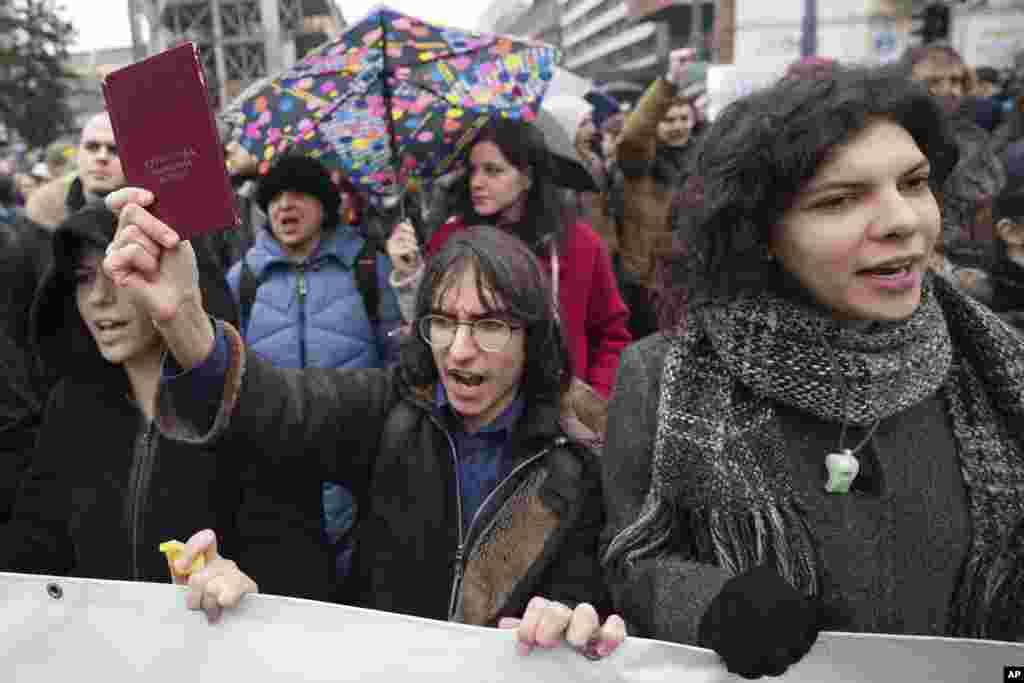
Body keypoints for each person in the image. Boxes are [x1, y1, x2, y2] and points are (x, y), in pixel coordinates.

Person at [601, 66, 1024, 679]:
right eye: (841, 200)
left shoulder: (995, 363)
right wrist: (710, 603)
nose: (902, 220)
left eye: (914, 183)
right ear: (763, 231)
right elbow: (633, 561)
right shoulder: (661, 375)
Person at [101, 205, 625, 657]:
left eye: (488, 326)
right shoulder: (390, 410)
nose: (460, 349)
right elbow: (274, 403)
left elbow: (601, 604)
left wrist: (578, 625)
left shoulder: (583, 456)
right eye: (442, 321)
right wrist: (183, 317)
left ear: (531, 337)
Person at [0, 206, 329, 618]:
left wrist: (245, 587)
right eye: (84, 279)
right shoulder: (71, 405)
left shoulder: (249, 404)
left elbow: (305, 577)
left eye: (123, 276)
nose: (99, 298)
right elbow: (33, 554)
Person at [227, 153, 404, 593]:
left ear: (325, 205)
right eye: (275, 197)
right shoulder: (244, 279)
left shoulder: (369, 268)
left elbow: (400, 359)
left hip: (362, 462)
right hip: (275, 469)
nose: (285, 205)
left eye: (300, 194)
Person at [415, 117, 632, 400]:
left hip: (558, 412)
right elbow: (429, 324)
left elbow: (611, 334)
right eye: (473, 170)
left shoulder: (579, 243)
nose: (476, 182)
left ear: (527, 177)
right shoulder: (450, 238)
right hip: (472, 407)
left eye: (493, 170)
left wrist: (596, 397)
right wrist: (409, 277)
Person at [594, 51, 705, 339]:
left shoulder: (705, 158)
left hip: (692, 281)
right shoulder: (639, 164)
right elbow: (632, 137)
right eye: (669, 120)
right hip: (646, 285)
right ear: (656, 124)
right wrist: (668, 84)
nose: (679, 125)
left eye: (684, 118)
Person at [901, 44, 1007, 242]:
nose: (948, 89)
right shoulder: (891, 136)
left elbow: (991, 192)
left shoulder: (973, 136)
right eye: (932, 81)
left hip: (965, 251)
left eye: (955, 80)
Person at [26, 113, 124, 231]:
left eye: (115, 150)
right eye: (92, 147)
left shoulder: (147, 205)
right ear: (78, 153)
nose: (102, 157)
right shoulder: (46, 203)